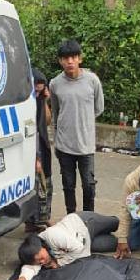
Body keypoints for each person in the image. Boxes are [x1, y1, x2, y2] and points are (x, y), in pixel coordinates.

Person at [50, 39, 104, 213]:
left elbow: (98, 108)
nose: (70, 62)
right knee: (68, 185)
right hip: (64, 145)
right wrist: (56, 140)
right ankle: (71, 217)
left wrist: (82, 121)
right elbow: (56, 113)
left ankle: (88, 219)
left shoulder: (92, 81)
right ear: (60, 61)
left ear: (80, 58)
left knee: (88, 185)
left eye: (73, 57)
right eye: (65, 58)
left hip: (85, 146)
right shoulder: (55, 84)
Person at [14, 212, 119, 280]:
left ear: (42, 246)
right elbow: (31, 266)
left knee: (116, 223)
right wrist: (23, 278)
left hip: (84, 222)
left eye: (41, 258)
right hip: (86, 242)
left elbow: (78, 248)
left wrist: (59, 263)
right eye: (39, 262)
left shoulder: (52, 236)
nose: (42, 262)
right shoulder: (38, 254)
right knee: (118, 244)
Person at [26, 67, 53, 232]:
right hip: (33, 148)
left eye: (40, 90)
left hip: (42, 146)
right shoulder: (26, 104)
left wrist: (45, 100)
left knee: (46, 183)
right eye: (35, 91)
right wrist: (36, 158)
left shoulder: (40, 100)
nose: (37, 94)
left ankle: (42, 218)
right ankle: (33, 221)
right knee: (36, 186)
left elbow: (47, 121)